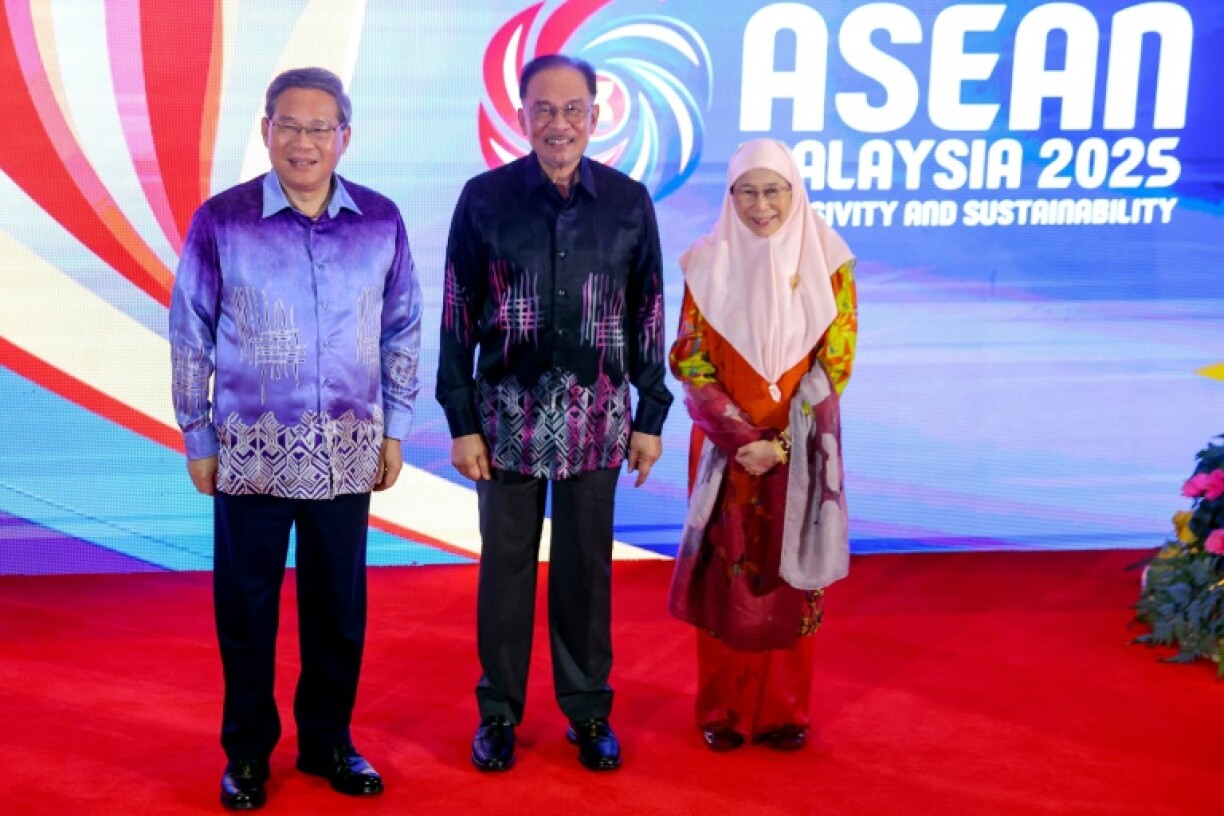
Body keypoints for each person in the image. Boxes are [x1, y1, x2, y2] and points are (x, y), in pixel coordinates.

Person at [169, 67, 422, 810]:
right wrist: (197, 432)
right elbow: (190, 332)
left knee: (338, 611)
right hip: (249, 450)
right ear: (265, 130)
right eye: (290, 125)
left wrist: (397, 427)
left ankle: (328, 744)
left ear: (345, 137)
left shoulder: (380, 220)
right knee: (246, 610)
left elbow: (402, 325)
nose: (304, 142)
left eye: (321, 128)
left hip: (349, 449)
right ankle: (247, 754)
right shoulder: (223, 220)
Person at [436, 53, 673, 773]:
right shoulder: (483, 199)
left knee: (585, 572)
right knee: (504, 574)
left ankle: (589, 711)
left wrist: (650, 416)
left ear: (596, 118)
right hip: (505, 417)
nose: (559, 124)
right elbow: (456, 314)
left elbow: (649, 311)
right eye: (544, 109)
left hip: (599, 420)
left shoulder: (629, 203)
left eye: (573, 110)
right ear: (521, 117)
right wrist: (461, 420)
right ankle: (500, 713)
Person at [667, 138, 857, 752]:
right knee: (725, 579)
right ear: (730, 196)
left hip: (800, 448)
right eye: (747, 190)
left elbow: (836, 361)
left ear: (794, 192)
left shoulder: (830, 263)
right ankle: (721, 710)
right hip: (726, 451)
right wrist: (742, 437)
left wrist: (782, 442)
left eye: (773, 190)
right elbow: (690, 359)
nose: (761, 204)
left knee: (791, 575)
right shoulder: (704, 262)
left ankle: (784, 712)